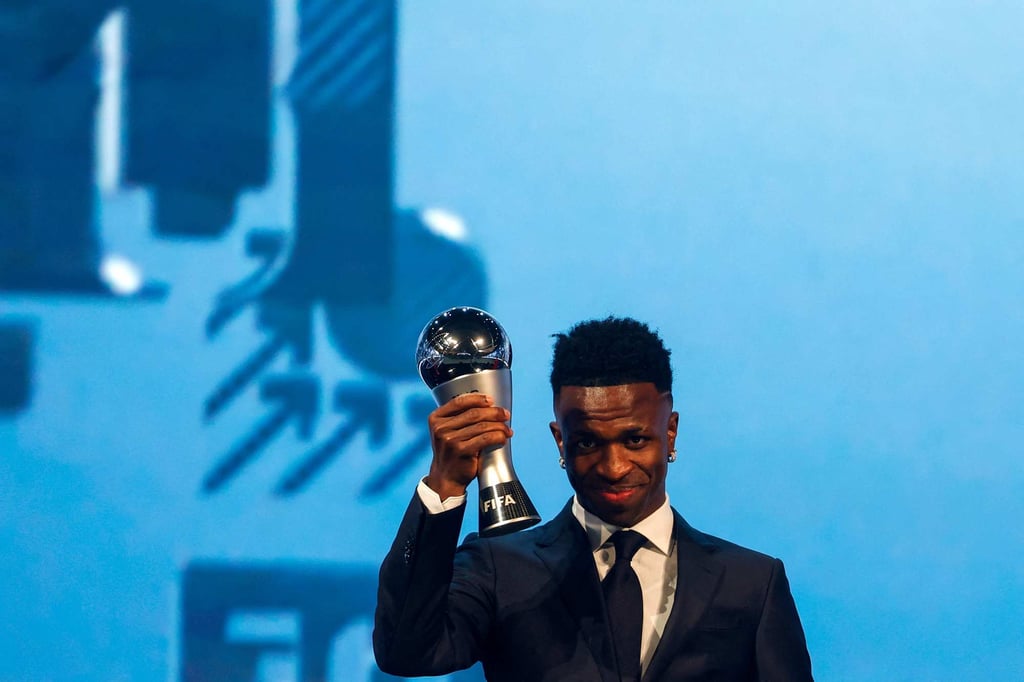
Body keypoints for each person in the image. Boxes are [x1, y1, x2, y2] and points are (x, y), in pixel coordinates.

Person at [374, 317, 813, 681]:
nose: (613, 466)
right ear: (559, 442)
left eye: (635, 439)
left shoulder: (751, 583)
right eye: (587, 443)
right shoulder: (500, 569)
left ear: (671, 433)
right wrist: (444, 486)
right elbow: (407, 653)